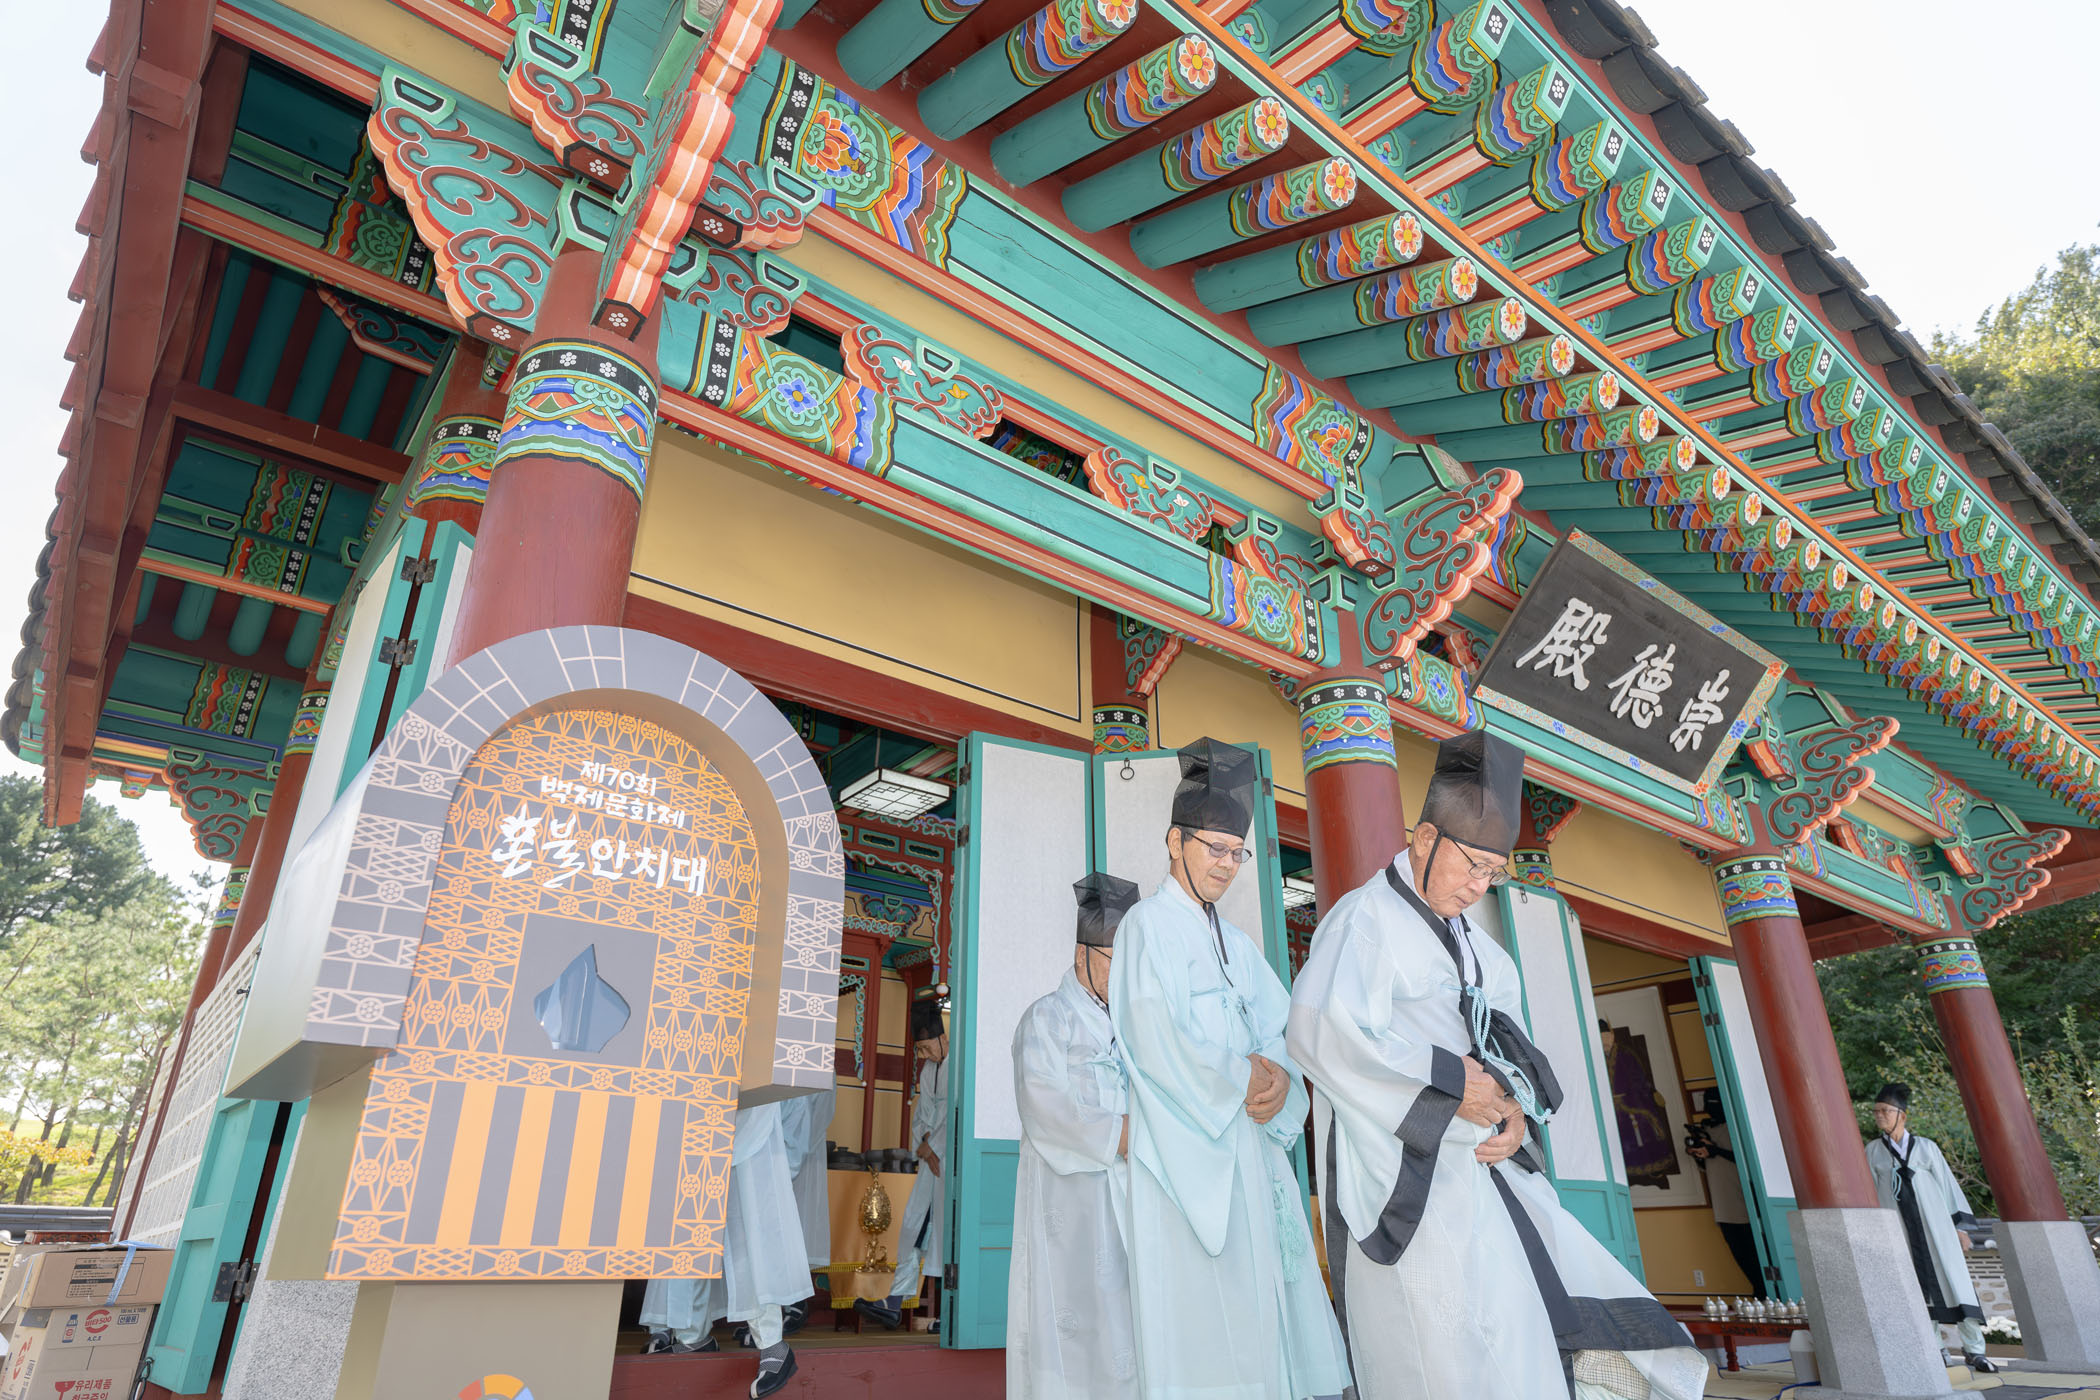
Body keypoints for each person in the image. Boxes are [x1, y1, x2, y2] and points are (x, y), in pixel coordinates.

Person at [1288, 730, 1707, 1400]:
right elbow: (1322, 1033)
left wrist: (1512, 1109)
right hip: (1405, 1167)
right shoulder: (1364, 920)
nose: (1479, 885)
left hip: (1481, 1161)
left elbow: (1505, 1041)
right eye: (1472, 866)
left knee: (1518, 1321)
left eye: (1493, 872)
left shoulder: (1477, 944)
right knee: (1439, 1341)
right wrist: (1453, 1086)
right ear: (1425, 839)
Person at [1110, 738, 1352, 1400]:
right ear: (1174, 841)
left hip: (1251, 1148)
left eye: (1236, 853)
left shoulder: (1237, 944)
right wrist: (1241, 1077)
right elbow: (1155, 1039)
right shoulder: (1146, 928)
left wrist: (1280, 1077)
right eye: (1214, 848)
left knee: (1264, 1311)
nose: (1226, 865)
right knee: (1205, 1325)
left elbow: (1281, 1027)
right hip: (1190, 1160)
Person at [1008, 871, 1143, 1400]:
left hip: (1133, 1195)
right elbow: (1043, 1106)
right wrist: (1121, 1135)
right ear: (1081, 952)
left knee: (1131, 1321)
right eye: (1113, 958)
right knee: (1076, 1317)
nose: (1123, 972)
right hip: (1071, 1203)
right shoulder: (1046, 1018)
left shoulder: (1131, 1025)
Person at [640, 1098, 811, 1398]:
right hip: (700, 1116)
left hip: (750, 1109)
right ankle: (692, 1336)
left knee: (748, 1232)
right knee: (692, 1228)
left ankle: (772, 1345)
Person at [1865, 1082, 1998, 1374]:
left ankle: (1975, 1351)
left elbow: (1948, 1186)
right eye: (1876, 1111)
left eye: (1885, 1110)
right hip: (1901, 1234)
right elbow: (1871, 1196)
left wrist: (1960, 1228)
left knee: (1957, 1285)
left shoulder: (1927, 1148)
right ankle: (1935, 1348)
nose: (1879, 1116)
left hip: (1939, 1232)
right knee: (1916, 1291)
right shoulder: (1873, 1152)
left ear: (1902, 1115)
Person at [856, 998, 948, 1330]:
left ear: (943, 1038)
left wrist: (933, 1146)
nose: (924, 1055)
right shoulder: (928, 1071)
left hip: (952, 1165)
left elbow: (957, 1115)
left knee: (945, 1234)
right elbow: (921, 1116)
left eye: (927, 1048)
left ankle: (945, 1313)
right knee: (914, 1224)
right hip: (932, 1163)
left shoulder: (961, 1066)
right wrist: (926, 1145)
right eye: (920, 1050)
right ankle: (894, 1301)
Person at [1685, 1091, 1764, 1300]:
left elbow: (1747, 1159)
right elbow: (1707, 1166)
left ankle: (1765, 1292)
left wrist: (1716, 1150)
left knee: (1755, 1250)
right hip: (1721, 1203)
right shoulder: (1707, 1130)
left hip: (1743, 1200)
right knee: (1738, 1251)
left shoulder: (1737, 1128)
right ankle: (1757, 1290)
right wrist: (1700, 1153)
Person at [1600, 1018, 1683, 1191]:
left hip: (1632, 1102)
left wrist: (1641, 1095)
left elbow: (1638, 1078)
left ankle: (1654, 1167)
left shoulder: (1625, 1054)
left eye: (1607, 1036)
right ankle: (1623, 1173)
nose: (1605, 1041)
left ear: (1612, 1036)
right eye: (1601, 1037)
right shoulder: (1595, 1058)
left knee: (1642, 1129)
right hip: (1608, 1107)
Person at [778, 1081, 837, 1321]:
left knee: (797, 1230)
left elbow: (822, 1112)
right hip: (780, 1152)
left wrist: (797, 1147)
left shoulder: (823, 1067)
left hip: (803, 1156)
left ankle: (795, 1301)